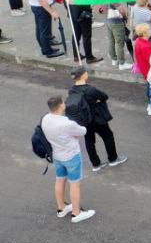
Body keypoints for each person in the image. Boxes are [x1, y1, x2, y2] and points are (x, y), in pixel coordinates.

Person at [41, 95, 95, 223]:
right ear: (61, 105)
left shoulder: (45, 119)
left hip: (57, 155)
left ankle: (61, 208)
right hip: (71, 156)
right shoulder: (67, 123)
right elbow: (83, 131)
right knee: (74, 184)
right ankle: (76, 213)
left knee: (60, 180)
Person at [66, 67, 125, 171]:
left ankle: (96, 164)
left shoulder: (72, 90)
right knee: (108, 136)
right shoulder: (90, 89)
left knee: (89, 141)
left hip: (84, 120)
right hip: (97, 119)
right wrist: (97, 100)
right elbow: (104, 96)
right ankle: (113, 159)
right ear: (83, 75)